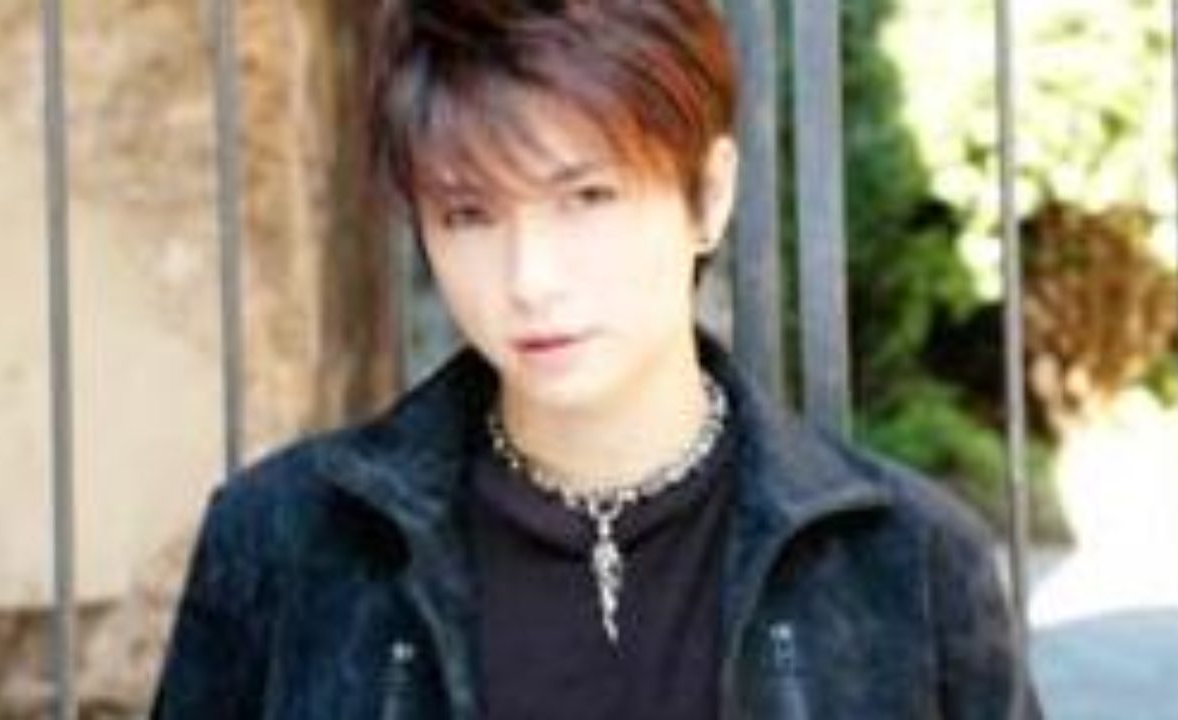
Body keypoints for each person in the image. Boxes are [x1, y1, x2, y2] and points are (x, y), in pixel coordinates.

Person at [151, 1, 1041, 718]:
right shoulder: (282, 542)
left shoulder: (908, 563)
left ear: (709, 196)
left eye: (586, 197)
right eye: (469, 214)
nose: (530, 279)